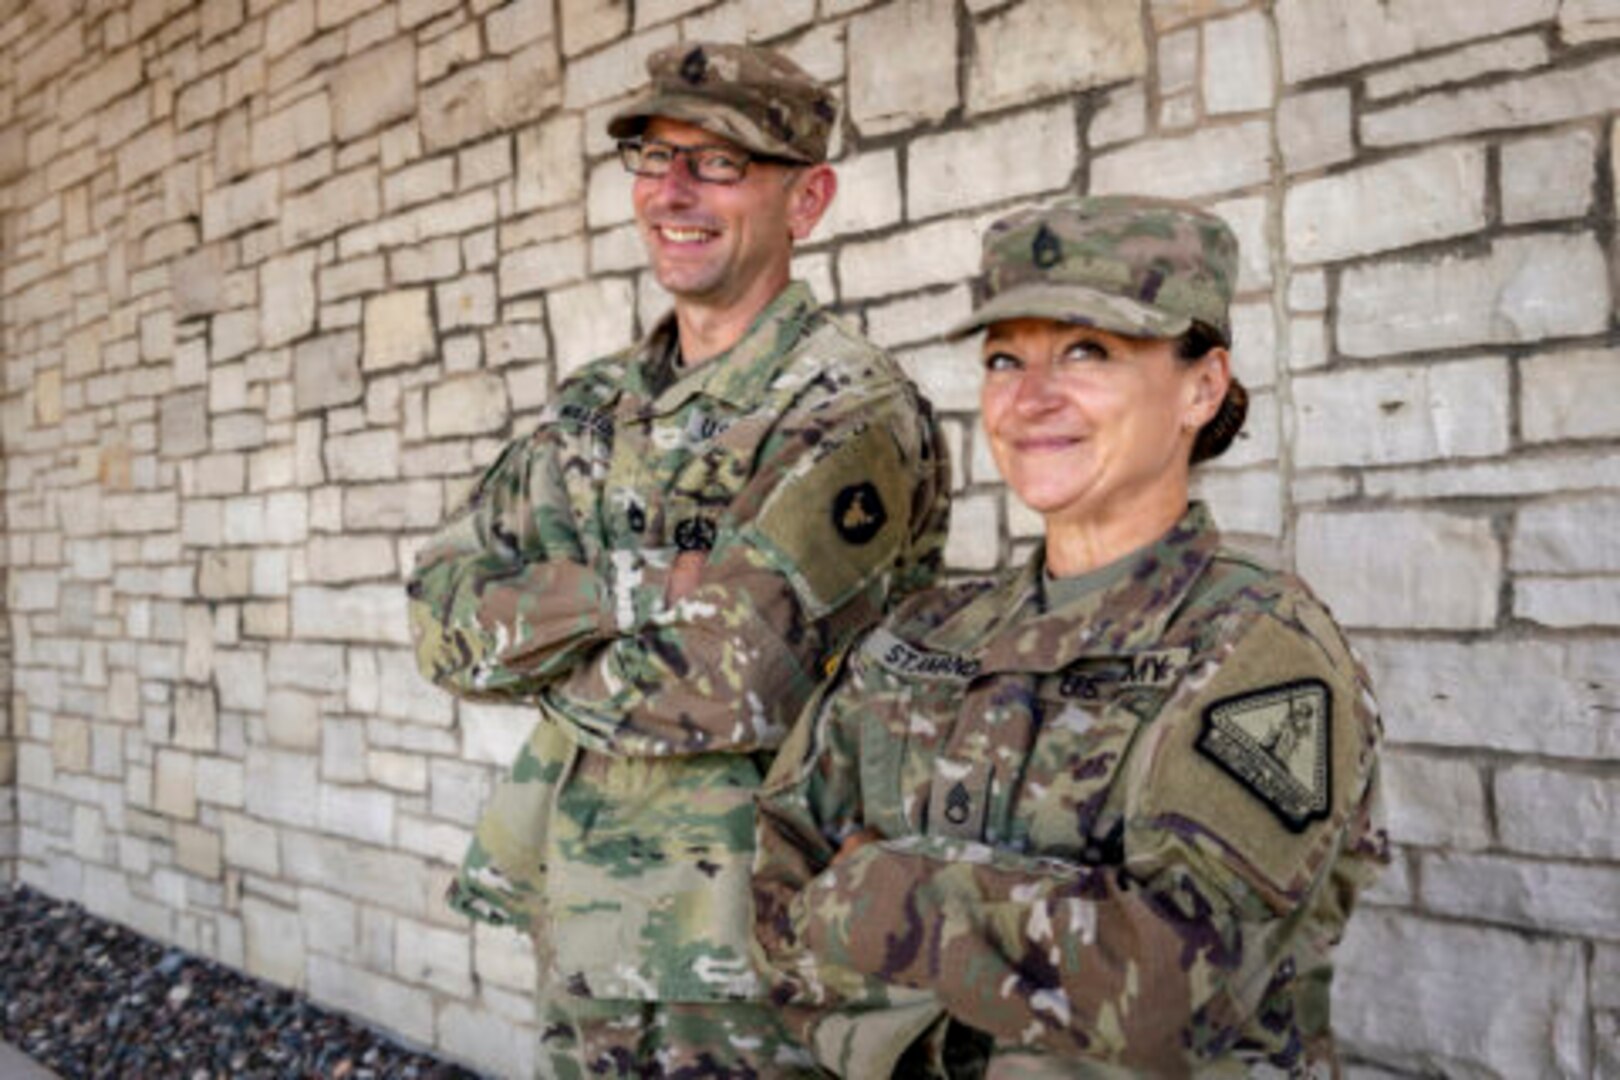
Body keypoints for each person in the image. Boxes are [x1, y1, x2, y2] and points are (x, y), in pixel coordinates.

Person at [407, 42, 950, 1078]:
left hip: (754, 965)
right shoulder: (592, 405)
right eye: (655, 158)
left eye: (720, 163)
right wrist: (640, 592)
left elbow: (733, 684)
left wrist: (535, 639)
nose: (673, 191)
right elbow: (438, 620)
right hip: (587, 936)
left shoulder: (847, 408)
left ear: (809, 199)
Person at [752, 195, 1387, 1078]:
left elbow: (1172, 984)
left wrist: (875, 887)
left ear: (1201, 386)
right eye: (1005, 358)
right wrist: (1007, 955)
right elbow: (776, 880)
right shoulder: (924, 633)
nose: (1030, 398)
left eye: (1089, 350)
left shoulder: (1256, 648)